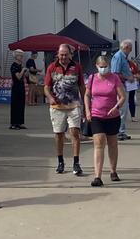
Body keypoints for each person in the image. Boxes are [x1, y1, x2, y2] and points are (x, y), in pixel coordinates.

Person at [83, 55, 126, 186]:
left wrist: (116, 107)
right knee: (99, 143)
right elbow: (87, 94)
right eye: (101, 67)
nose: (103, 69)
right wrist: (87, 110)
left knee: (112, 144)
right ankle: (97, 176)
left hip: (112, 116)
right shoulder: (92, 78)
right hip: (97, 115)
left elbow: (122, 96)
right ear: (96, 66)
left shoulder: (114, 78)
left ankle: (113, 171)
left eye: (105, 66)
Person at [44, 43, 86, 175]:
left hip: (74, 105)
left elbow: (82, 87)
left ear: (70, 54)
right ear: (58, 54)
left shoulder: (77, 67)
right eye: (61, 55)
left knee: (74, 133)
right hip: (57, 106)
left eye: (65, 55)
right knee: (59, 134)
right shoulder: (52, 67)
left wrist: (85, 104)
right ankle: (60, 162)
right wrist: (50, 97)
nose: (63, 57)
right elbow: (46, 87)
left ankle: (76, 162)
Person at [111, 39, 134, 140]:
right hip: (120, 87)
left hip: (124, 86)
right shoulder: (118, 56)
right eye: (130, 48)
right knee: (121, 110)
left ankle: (121, 130)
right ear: (126, 48)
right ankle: (118, 132)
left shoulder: (123, 57)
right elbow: (115, 73)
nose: (131, 50)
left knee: (124, 110)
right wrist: (127, 77)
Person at [9, 49, 28, 129]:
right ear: (16, 56)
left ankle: (20, 122)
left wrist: (25, 72)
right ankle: (14, 123)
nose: (21, 57)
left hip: (21, 86)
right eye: (20, 55)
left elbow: (24, 76)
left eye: (22, 56)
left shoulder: (21, 65)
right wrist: (23, 70)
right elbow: (18, 76)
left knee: (21, 104)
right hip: (16, 87)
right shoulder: (14, 66)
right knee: (15, 105)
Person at [126, 58, 140, 122]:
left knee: (131, 100)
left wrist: (135, 76)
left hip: (131, 85)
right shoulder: (120, 63)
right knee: (123, 101)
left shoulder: (131, 64)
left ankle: (133, 116)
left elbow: (138, 74)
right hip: (124, 84)